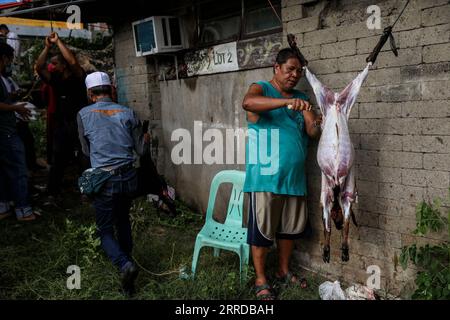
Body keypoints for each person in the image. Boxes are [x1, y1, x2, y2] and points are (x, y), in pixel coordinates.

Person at [242, 48, 322, 300]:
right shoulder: (262, 88)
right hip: (265, 177)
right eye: (290, 69)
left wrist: (317, 122)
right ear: (276, 68)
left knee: (288, 230)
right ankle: (260, 279)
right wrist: (287, 102)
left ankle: (283, 271)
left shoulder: (301, 97)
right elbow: (248, 103)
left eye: (298, 71)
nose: (294, 75)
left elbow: (312, 132)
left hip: (294, 180)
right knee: (262, 232)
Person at [77, 71, 149, 296]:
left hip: (104, 180)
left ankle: (125, 265)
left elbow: (86, 150)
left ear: (90, 93)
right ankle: (128, 273)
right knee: (123, 221)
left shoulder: (82, 114)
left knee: (105, 229)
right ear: (111, 89)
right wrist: (145, 140)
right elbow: (141, 151)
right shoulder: (128, 112)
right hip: (128, 178)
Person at [35, 32, 87, 197]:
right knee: (58, 159)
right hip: (62, 123)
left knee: (83, 158)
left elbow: (72, 61)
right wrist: (47, 47)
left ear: (64, 65)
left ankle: (87, 189)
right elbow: (39, 67)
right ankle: (53, 191)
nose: (52, 66)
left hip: (78, 123)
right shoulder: (55, 79)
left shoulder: (78, 76)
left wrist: (58, 42)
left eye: (56, 63)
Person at [0, 42, 39, 221]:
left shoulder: (3, 78)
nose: (9, 64)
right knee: (18, 169)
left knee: (4, 169)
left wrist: (13, 102)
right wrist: (16, 108)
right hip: (5, 131)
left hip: (5, 129)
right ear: (4, 58)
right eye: (9, 60)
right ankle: (23, 210)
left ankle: (4, 207)